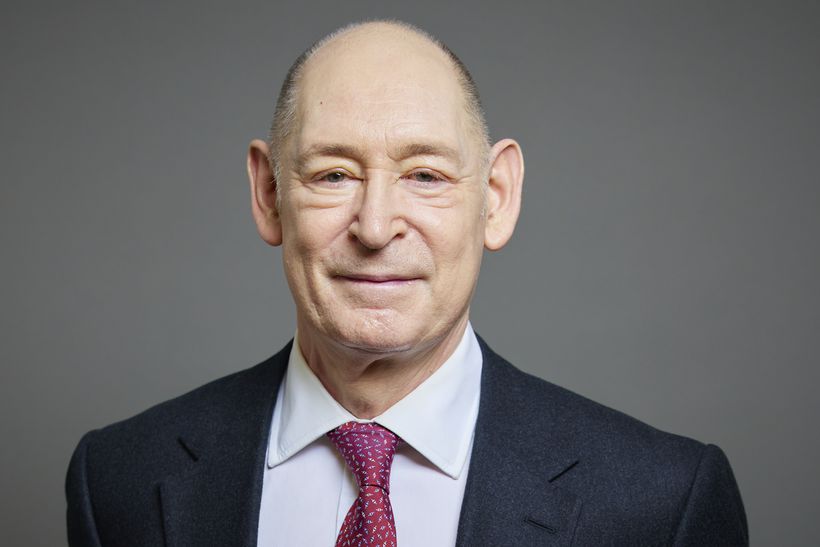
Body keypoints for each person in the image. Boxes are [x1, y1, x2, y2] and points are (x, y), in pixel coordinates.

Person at [65, 20, 748, 547]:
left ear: (497, 197)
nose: (375, 223)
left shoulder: (663, 504)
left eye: (425, 174)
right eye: (334, 174)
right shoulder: (117, 480)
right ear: (269, 194)